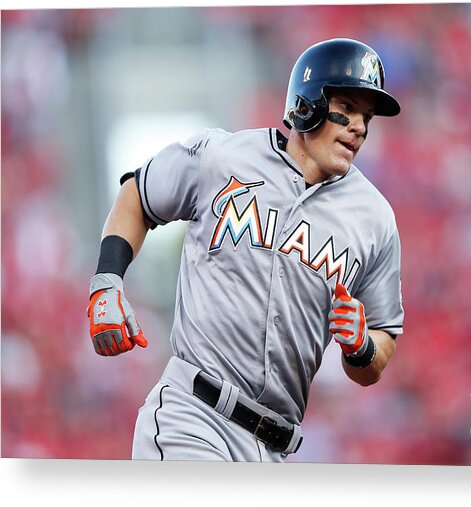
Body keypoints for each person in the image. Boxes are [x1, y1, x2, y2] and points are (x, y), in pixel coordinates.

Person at [87, 37, 404, 462]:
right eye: (347, 108)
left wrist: (362, 346)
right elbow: (138, 195)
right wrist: (107, 282)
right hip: (194, 417)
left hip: (274, 449)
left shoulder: (375, 219)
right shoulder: (223, 157)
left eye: (366, 118)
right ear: (306, 104)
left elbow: (378, 354)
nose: (360, 127)